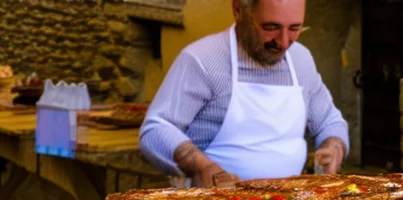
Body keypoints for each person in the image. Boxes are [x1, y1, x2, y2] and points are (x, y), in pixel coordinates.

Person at [139, 0, 349, 186]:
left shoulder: (301, 60)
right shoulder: (203, 60)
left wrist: (333, 147)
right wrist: (201, 166)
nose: (284, 42)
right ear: (238, 10)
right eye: (271, 27)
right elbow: (156, 129)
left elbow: (330, 121)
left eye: (295, 28)